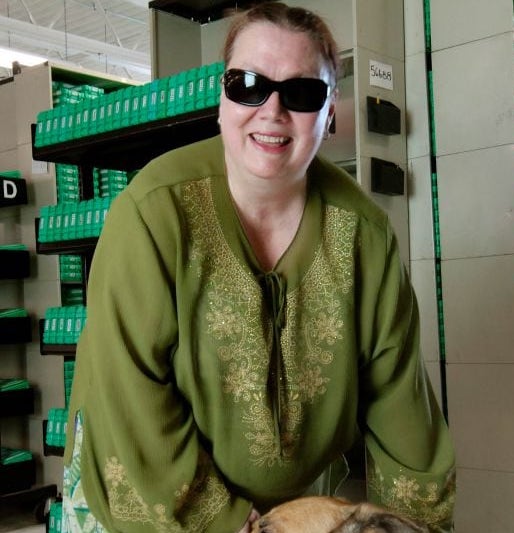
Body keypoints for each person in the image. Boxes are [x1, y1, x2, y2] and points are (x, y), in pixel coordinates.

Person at [62, 2, 456, 532]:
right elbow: (129, 396)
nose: (272, 111)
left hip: (289, 514)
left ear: (330, 109)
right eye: (248, 85)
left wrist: (415, 527)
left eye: (301, 93)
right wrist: (227, 525)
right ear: (221, 100)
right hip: (150, 495)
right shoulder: (153, 211)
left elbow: (400, 403)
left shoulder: (365, 234)